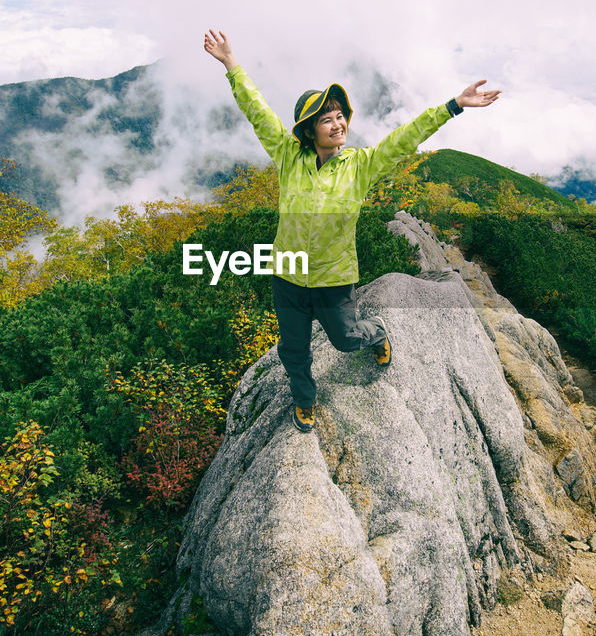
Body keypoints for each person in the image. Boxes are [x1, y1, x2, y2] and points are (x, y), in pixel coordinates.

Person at [203, 29, 500, 433]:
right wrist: (231, 64)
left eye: (340, 116)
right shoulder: (289, 156)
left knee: (345, 339)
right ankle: (305, 399)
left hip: (332, 279)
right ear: (309, 130)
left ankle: (376, 333)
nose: (338, 124)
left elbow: (403, 140)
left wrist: (452, 106)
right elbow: (258, 111)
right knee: (293, 349)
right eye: (326, 119)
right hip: (287, 275)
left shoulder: (360, 166)